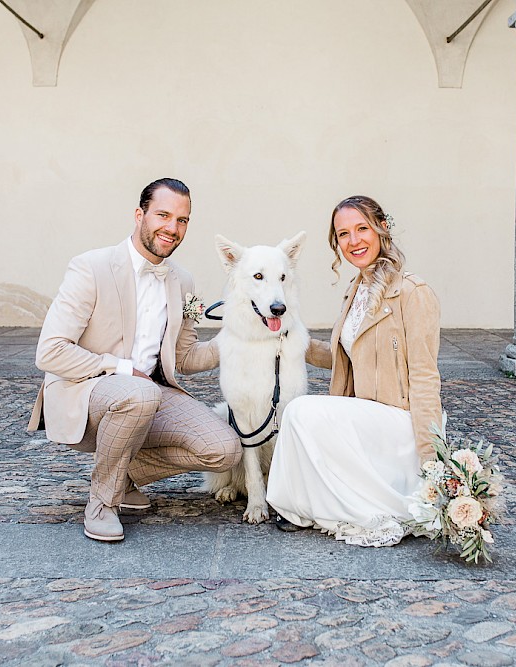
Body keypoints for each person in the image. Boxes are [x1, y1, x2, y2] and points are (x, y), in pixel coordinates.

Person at [26, 178, 241, 542]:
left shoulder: (183, 281)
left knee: (224, 451)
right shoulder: (90, 267)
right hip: (88, 394)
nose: (172, 228)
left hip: (150, 396)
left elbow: (185, 358)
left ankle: (121, 474)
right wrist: (122, 368)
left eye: (182, 220)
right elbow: (50, 350)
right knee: (139, 394)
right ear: (139, 215)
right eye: (163, 215)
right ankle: (102, 503)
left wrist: (240, 335)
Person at [265, 195, 444, 547]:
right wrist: (288, 336)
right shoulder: (356, 291)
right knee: (299, 412)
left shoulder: (412, 292)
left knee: (301, 409)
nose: (354, 241)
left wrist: (432, 461)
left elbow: (425, 377)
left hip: (399, 423)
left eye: (362, 229)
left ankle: (297, 506)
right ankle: (299, 506)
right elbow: (346, 355)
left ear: (382, 229)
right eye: (343, 234)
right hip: (366, 415)